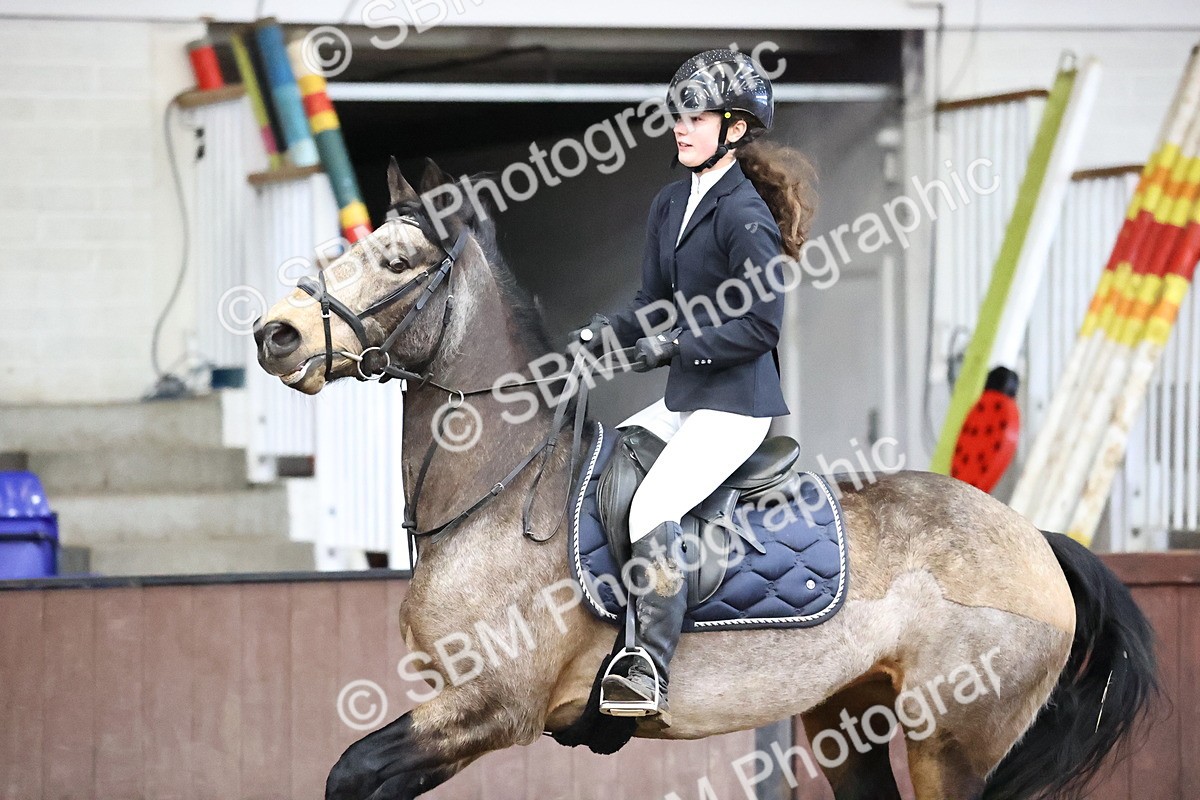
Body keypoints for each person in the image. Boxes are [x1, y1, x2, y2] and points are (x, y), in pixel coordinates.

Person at [567, 49, 817, 727]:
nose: (681, 126)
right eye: (679, 114)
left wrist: (677, 345)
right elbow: (654, 302)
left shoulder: (743, 216)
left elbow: (761, 324)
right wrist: (603, 334)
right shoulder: (671, 202)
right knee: (602, 469)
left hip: (735, 409)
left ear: (734, 130)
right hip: (686, 403)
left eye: (697, 116)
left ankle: (648, 664)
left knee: (652, 507)